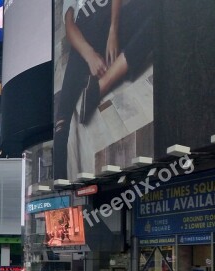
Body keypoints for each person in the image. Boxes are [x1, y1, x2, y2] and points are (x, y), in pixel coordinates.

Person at [54, 0, 153, 178]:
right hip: (84, 37)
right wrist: (90, 55)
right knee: (61, 122)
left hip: (114, 20)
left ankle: (100, 86)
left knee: (156, 13)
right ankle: (61, 189)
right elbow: (69, 24)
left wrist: (113, 31)